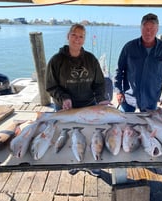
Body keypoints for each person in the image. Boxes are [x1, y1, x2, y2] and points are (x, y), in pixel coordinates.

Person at [45, 23, 110, 176]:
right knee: (67, 137)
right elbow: (51, 86)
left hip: (88, 106)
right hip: (65, 109)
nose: (77, 39)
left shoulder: (91, 59)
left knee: (91, 135)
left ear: (84, 40)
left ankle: (92, 164)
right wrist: (64, 98)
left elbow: (99, 83)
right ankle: (72, 162)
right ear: (68, 36)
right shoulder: (56, 60)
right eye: (74, 35)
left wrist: (101, 99)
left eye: (81, 36)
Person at [114, 13, 162, 112]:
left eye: (152, 29)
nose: (148, 32)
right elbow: (118, 70)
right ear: (140, 28)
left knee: (148, 127)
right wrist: (118, 91)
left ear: (157, 29)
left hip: (151, 100)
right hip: (128, 100)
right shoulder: (129, 47)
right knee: (124, 126)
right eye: (145, 28)